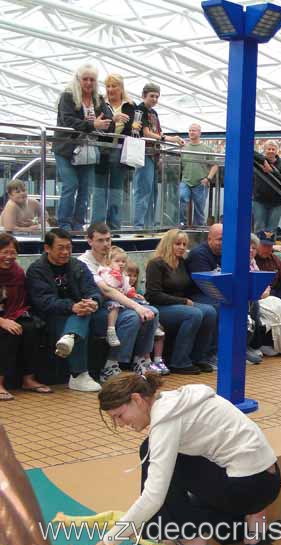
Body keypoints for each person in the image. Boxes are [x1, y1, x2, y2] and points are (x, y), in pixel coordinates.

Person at [85, 372, 281, 545]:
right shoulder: (178, 399)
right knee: (166, 456)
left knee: (152, 453)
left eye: (119, 415)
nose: (119, 424)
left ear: (137, 399)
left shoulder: (166, 421)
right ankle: (253, 522)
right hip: (270, 481)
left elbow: (153, 497)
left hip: (245, 490)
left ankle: (190, 537)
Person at [78, 223, 160, 381]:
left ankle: (140, 359)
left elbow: (124, 284)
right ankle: (111, 365)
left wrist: (136, 297)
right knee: (133, 317)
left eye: (108, 240)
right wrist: (136, 307)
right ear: (89, 241)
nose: (106, 244)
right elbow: (107, 290)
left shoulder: (112, 258)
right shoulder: (84, 262)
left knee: (153, 312)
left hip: (119, 303)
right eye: (100, 240)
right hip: (98, 307)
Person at [25, 228, 102, 392]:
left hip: (80, 310)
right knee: (80, 316)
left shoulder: (78, 266)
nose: (66, 252)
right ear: (47, 248)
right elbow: (43, 301)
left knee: (87, 314)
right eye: (61, 248)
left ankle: (70, 336)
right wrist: (72, 306)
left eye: (69, 247)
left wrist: (93, 301)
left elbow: (92, 289)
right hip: (51, 316)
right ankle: (78, 375)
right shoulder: (36, 270)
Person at [144, 229, 217, 375]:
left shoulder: (182, 262)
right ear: (168, 244)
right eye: (177, 244)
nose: (182, 247)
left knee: (210, 311)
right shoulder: (156, 264)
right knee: (194, 314)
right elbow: (153, 295)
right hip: (161, 306)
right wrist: (183, 301)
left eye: (184, 244)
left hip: (179, 304)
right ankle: (179, 361)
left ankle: (198, 357)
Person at [53, 63, 112, 231]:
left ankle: (78, 225)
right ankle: (64, 225)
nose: (88, 83)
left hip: (88, 150)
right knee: (70, 185)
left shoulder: (98, 99)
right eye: (85, 79)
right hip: (66, 149)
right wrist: (93, 124)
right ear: (78, 79)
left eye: (92, 80)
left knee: (85, 189)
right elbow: (68, 121)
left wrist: (103, 123)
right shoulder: (68, 96)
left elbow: (107, 119)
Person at [0, 233, 52, 400]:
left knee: (30, 328)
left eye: (13, 253)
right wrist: (2, 321)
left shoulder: (17, 272)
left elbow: (21, 300)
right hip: (1, 318)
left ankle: (28, 379)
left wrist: (14, 316)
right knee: (8, 333)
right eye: (4, 252)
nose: (9, 257)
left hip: (12, 313)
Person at [132, 83, 185, 229]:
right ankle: (139, 225)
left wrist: (164, 148)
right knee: (143, 191)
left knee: (152, 192)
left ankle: (148, 224)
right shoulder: (139, 109)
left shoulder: (154, 113)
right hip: (144, 153)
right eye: (152, 96)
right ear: (144, 96)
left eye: (157, 96)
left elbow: (157, 132)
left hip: (154, 154)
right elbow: (146, 133)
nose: (154, 99)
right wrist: (169, 139)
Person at [92, 73, 134, 230]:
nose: (110, 89)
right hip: (102, 150)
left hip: (120, 152)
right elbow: (98, 126)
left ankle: (114, 226)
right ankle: (97, 226)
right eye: (108, 86)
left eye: (114, 86)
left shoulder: (130, 106)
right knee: (99, 190)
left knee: (116, 190)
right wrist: (113, 120)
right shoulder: (100, 104)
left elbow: (131, 129)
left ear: (121, 88)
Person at [125, 259, 170, 376]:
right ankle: (145, 359)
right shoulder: (123, 290)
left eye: (135, 275)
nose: (132, 278)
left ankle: (158, 359)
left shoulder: (138, 290)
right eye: (129, 275)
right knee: (149, 328)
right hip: (137, 317)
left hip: (146, 315)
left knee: (160, 331)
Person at [179, 123, 218, 227]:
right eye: (190, 130)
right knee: (182, 197)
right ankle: (182, 224)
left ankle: (198, 229)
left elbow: (215, 165)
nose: (191, 132)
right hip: (185, 181)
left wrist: (208, 178)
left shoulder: (206, 149)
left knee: (199, 208)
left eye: (194, 130)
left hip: (201, 182)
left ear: (200, 133)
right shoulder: (183, 148)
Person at [252, 140, 281, 233]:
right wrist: (264, 161)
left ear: (277, 151)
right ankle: (258, 247)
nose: (271, 151)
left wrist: (271, 171)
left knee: (271, 230)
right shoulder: (259, 161)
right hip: (260, 200)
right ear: (264, 150)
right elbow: (251, 152)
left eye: (273, 149)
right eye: (269, 149)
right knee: (259, 227)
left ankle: (268, 247)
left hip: (277, 202)